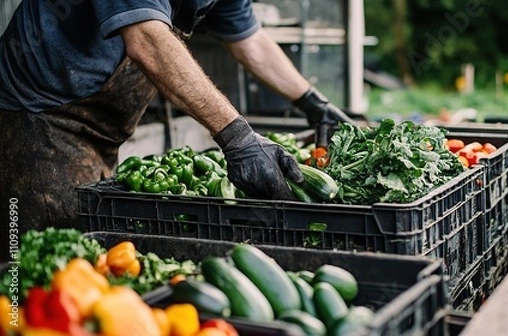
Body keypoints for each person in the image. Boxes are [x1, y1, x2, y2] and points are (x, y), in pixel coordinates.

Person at [0, 0, 353, 260]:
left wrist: (312, 102)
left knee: (90, 258)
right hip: (39, 116)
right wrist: (237, 137)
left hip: (101, 129)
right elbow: (146, 38)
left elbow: (250, 40)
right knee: (41, 264)